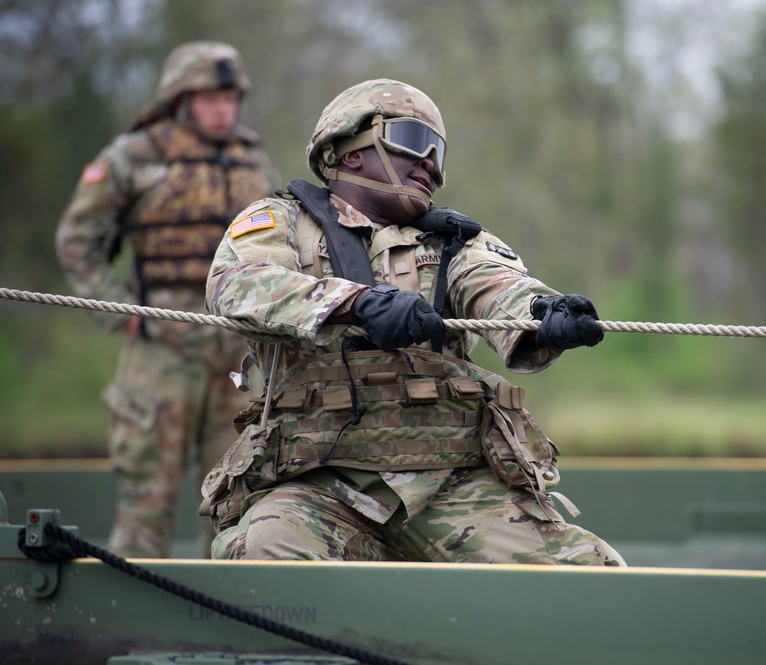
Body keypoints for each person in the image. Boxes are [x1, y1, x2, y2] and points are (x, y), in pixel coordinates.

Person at [201, 78, 625, 566]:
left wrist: (543, 314)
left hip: (451, 485)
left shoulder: (455, 245)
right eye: (415, 142)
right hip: (315, 485)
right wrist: (356, 305)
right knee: (263, 549)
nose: (431, 166)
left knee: (585, 572)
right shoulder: (279, 223)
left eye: (438, 153)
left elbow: (499, 288)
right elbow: (236, 285)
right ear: (350, 150)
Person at [55, 41, 279, 558]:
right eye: (210, 98)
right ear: (181, 99)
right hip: (160, 343)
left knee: (238, 492)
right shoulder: (133, 157)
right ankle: (137, 615)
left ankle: (232, 610)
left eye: (230, 98)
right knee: (146, 497)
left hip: (235, 349)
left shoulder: (251, 157)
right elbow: (77, 239)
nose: (223, 109)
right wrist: (118, 313)